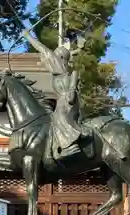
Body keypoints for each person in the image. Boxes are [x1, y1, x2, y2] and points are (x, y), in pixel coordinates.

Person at [22, 29, 86, 157]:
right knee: (53, 119)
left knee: (59, 117)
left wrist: (28, 36)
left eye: (55, 55)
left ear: (61, 59)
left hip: (67, 100)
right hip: (66, 100)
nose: (51, 58)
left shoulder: (60, 68)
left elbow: (42, 48)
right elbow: (70, 54)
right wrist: (78, 48)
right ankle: (57, 145)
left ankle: (69, 146)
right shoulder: (63, 70)